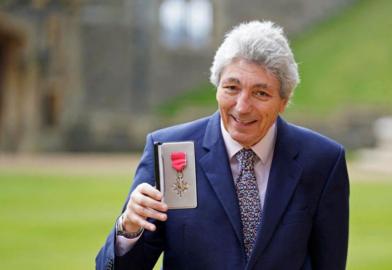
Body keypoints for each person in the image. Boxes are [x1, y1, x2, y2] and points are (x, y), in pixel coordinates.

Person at [96, 20, 349, 270]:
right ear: (217, 88)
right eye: (232, 88)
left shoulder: (323, 161)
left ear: (284, 101)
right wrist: (129, 229)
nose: (242, 106)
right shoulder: (168, 150)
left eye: (260, 93)